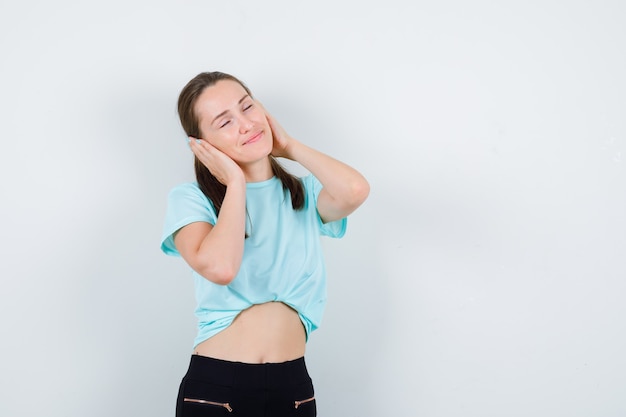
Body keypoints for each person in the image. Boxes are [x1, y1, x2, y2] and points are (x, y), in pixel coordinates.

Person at [161, 71, 369, 416]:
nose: (245, 124)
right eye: (224, 122)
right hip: (218, 386)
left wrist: (288, 146)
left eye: (247, 107)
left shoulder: (302, 195)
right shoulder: (191, 200)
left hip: (293, 387)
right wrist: (235, 183)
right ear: (202, 144)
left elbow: (355, 190)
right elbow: (221, 267)